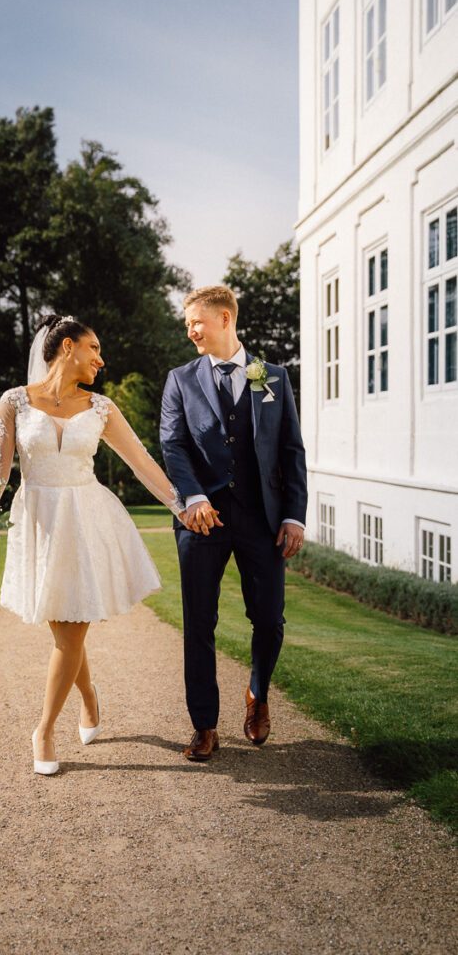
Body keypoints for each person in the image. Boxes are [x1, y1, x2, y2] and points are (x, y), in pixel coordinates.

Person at [0, 314, 187, 776]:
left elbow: (141, 463)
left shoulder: (102, 408)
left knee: (71, 629)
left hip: (85, 518)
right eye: (95, 349)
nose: (102, 359)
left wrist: (182, 506)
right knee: (65, 629)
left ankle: (44, 729)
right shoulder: (14, 401)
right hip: (39, 520)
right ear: (68, 346)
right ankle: (89, 695)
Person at [159, 285, 307, 761]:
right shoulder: (180, 379)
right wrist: (194, 497)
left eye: (195, 322)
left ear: (224, 318)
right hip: (202, 520)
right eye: (187, 324)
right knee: (199, 623)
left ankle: (257, 694)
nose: (190, 331)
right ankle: (204, 725)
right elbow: (173, 445)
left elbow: (291, 452)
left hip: (262, 518)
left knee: (269, 619)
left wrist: (293, 515)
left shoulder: (274, 380)